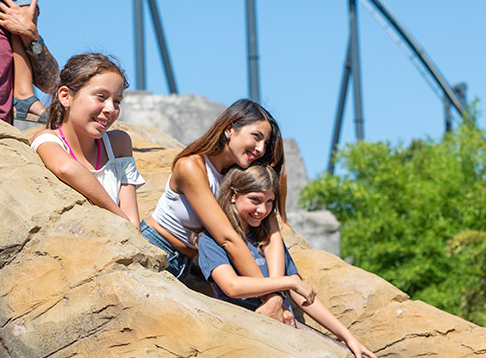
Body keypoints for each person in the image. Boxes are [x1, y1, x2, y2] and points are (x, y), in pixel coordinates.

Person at [197, 165, 377, 358]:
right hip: (247, 334)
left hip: (287, 329)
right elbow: (232, 286)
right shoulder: (210, 241)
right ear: (233, 194)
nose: (262, 210)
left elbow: (303, 296)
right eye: (255, 200)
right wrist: (288, 282)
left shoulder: (267, 238)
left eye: (269, 202)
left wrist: (348, 337)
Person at [141, 99, 291, 322]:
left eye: (265, 143)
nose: (260, 149)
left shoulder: (239, 174)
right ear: (230, 129)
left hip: (194, 266)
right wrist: (268, 295)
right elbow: (227, 238)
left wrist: (275, 298)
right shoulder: (192, 166)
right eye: (256, 136)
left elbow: (273, 235)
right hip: (156, 252)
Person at [30, 54, 144, 225]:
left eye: (117, 101)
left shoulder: (118, 143)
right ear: (65, 96)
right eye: (101, 97)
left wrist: (129, 228)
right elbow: (66, 168)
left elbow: (133, 221)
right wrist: (119, 217)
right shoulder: (47, 139)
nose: (110, 109)